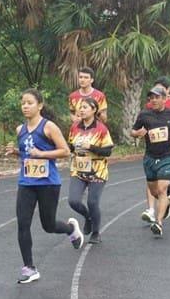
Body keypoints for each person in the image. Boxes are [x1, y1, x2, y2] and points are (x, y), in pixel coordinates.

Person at [7, 89, 84, 284]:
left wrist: (41, 154)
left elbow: (65, 151)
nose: (25, 106)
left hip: (48, 183)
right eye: (23, 103)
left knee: (48, 225)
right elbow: (27, 153)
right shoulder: (20, 130)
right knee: (23, 223)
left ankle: (70, 229)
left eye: (30, 103)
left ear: (39, 105)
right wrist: (17, 152)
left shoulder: (49, 127)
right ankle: (29, 267)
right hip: (26, 182)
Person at [131, 85, 170, 237]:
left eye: (157, 97)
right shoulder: (144, 114)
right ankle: (167, 202)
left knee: (161, 189)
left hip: (167, 156)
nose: (153, 100)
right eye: (151, 97)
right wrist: (137, 134)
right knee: (154, 191)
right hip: (150, 157)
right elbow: (133, 131)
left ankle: (158, 223)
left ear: (164, 99)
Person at [67, 97, 114, 244]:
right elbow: (70, 146)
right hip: (78, 170)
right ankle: (87, 217)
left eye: (85, 107)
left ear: (94, 110)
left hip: (97, 171)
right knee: (73, 201)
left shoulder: (101, 129)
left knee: (93, 202)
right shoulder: (75, 127)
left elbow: (108, 151)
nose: (81, 109)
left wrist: (91, 147)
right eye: (80, 107)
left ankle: (95, 232)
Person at [140, 78, 170, 221]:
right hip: (153, 149)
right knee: (154, 182)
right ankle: (151, 210)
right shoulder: (149, 107)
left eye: (160, 91)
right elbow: (142, 123)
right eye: (153, 93)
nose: (155, 97)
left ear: (167, 91)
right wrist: (139, 132)